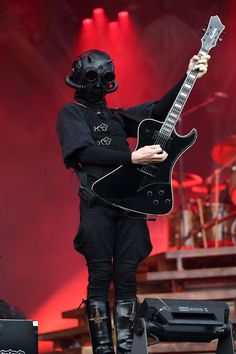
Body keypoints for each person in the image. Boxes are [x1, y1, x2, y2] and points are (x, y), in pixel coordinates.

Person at [56, 49, 210, 354]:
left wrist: (188, 74)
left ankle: (127, 349)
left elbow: (158, 110)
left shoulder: (116, 117)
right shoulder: (71, 114)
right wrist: (132, 157)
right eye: (92, 78)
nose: (98, 85)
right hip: (97, 204)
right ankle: (103, 349)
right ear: (79, 80)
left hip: (130, 206)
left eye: (104, 78)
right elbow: (84, 153)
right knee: (100, 276)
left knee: (127, 278)